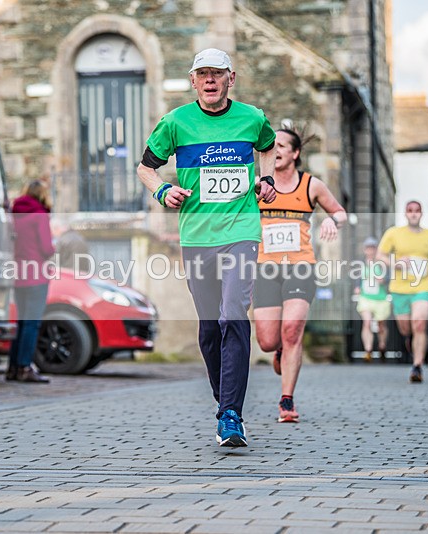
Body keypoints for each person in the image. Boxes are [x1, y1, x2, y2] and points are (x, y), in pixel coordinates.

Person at [136, 48, 277, 447]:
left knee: (233, 314)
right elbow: (146, 167)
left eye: (217, 73)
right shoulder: (176, 122)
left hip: (241, 231)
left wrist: (265, 180)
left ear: (231, 77)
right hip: (197, 237)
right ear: (193, 80)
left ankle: (231, 414)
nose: (210, 80)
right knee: (209, 328)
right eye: (203, 74)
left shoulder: (252, 117)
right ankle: (224, 399)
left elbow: (267, 146)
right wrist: (162, 190)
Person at [253, 128, 347, 423]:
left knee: (292, 329)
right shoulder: (255, 185)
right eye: (271, 145)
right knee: (268, 341)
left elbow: (340, 212)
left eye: (282, 145)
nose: (275, 149)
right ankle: (279, 347)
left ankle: (286, 400)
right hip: (264, 267)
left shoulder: (311, 185)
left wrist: (333, 221)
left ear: (295, 153)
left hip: (300, 266)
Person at [377, 200, 428, 383]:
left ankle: (417, 366)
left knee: (419, 323)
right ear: (405, 214)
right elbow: (380, 255)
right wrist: (395, 263)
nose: (413, 214)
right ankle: (410, 340)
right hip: (399, 289)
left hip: (422, 286)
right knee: (406, 328)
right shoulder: (394, 234)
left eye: (417, 211)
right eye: (410, 211)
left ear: (421, 214)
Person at [7, 180, 54, 383]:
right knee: (32, 323)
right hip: (36, 275)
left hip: (18, 275)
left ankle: (13, 368)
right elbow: (46, 248)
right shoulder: (39, 215)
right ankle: (25, 367)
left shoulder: (14, 216)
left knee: (21, 322)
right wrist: (54, 248)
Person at [354, 237, 390, 364]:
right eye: (368, 248)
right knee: (367, 322)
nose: (370, 251)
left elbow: (389, 278)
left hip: (380, 298)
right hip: (366, 298)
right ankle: (368, 350)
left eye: (373, 248)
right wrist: (357, 287)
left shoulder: (382, 263)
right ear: (365, 250)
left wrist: (383, 280)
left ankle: (382, 346)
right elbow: (357, 278)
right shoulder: (361, 264)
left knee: (381, 326)